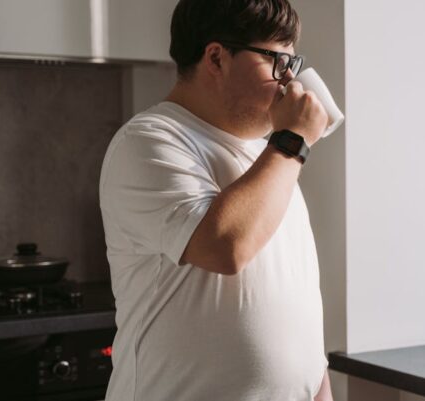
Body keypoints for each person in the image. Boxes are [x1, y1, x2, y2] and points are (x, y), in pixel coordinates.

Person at [98, 0, 333, 399]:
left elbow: (299, 302)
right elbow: (225, 247)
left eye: (292, 64)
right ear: (216, 58)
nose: (289, 81)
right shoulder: (148, 141)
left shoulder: (271, 159)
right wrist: (292, 141)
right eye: (277, 61)